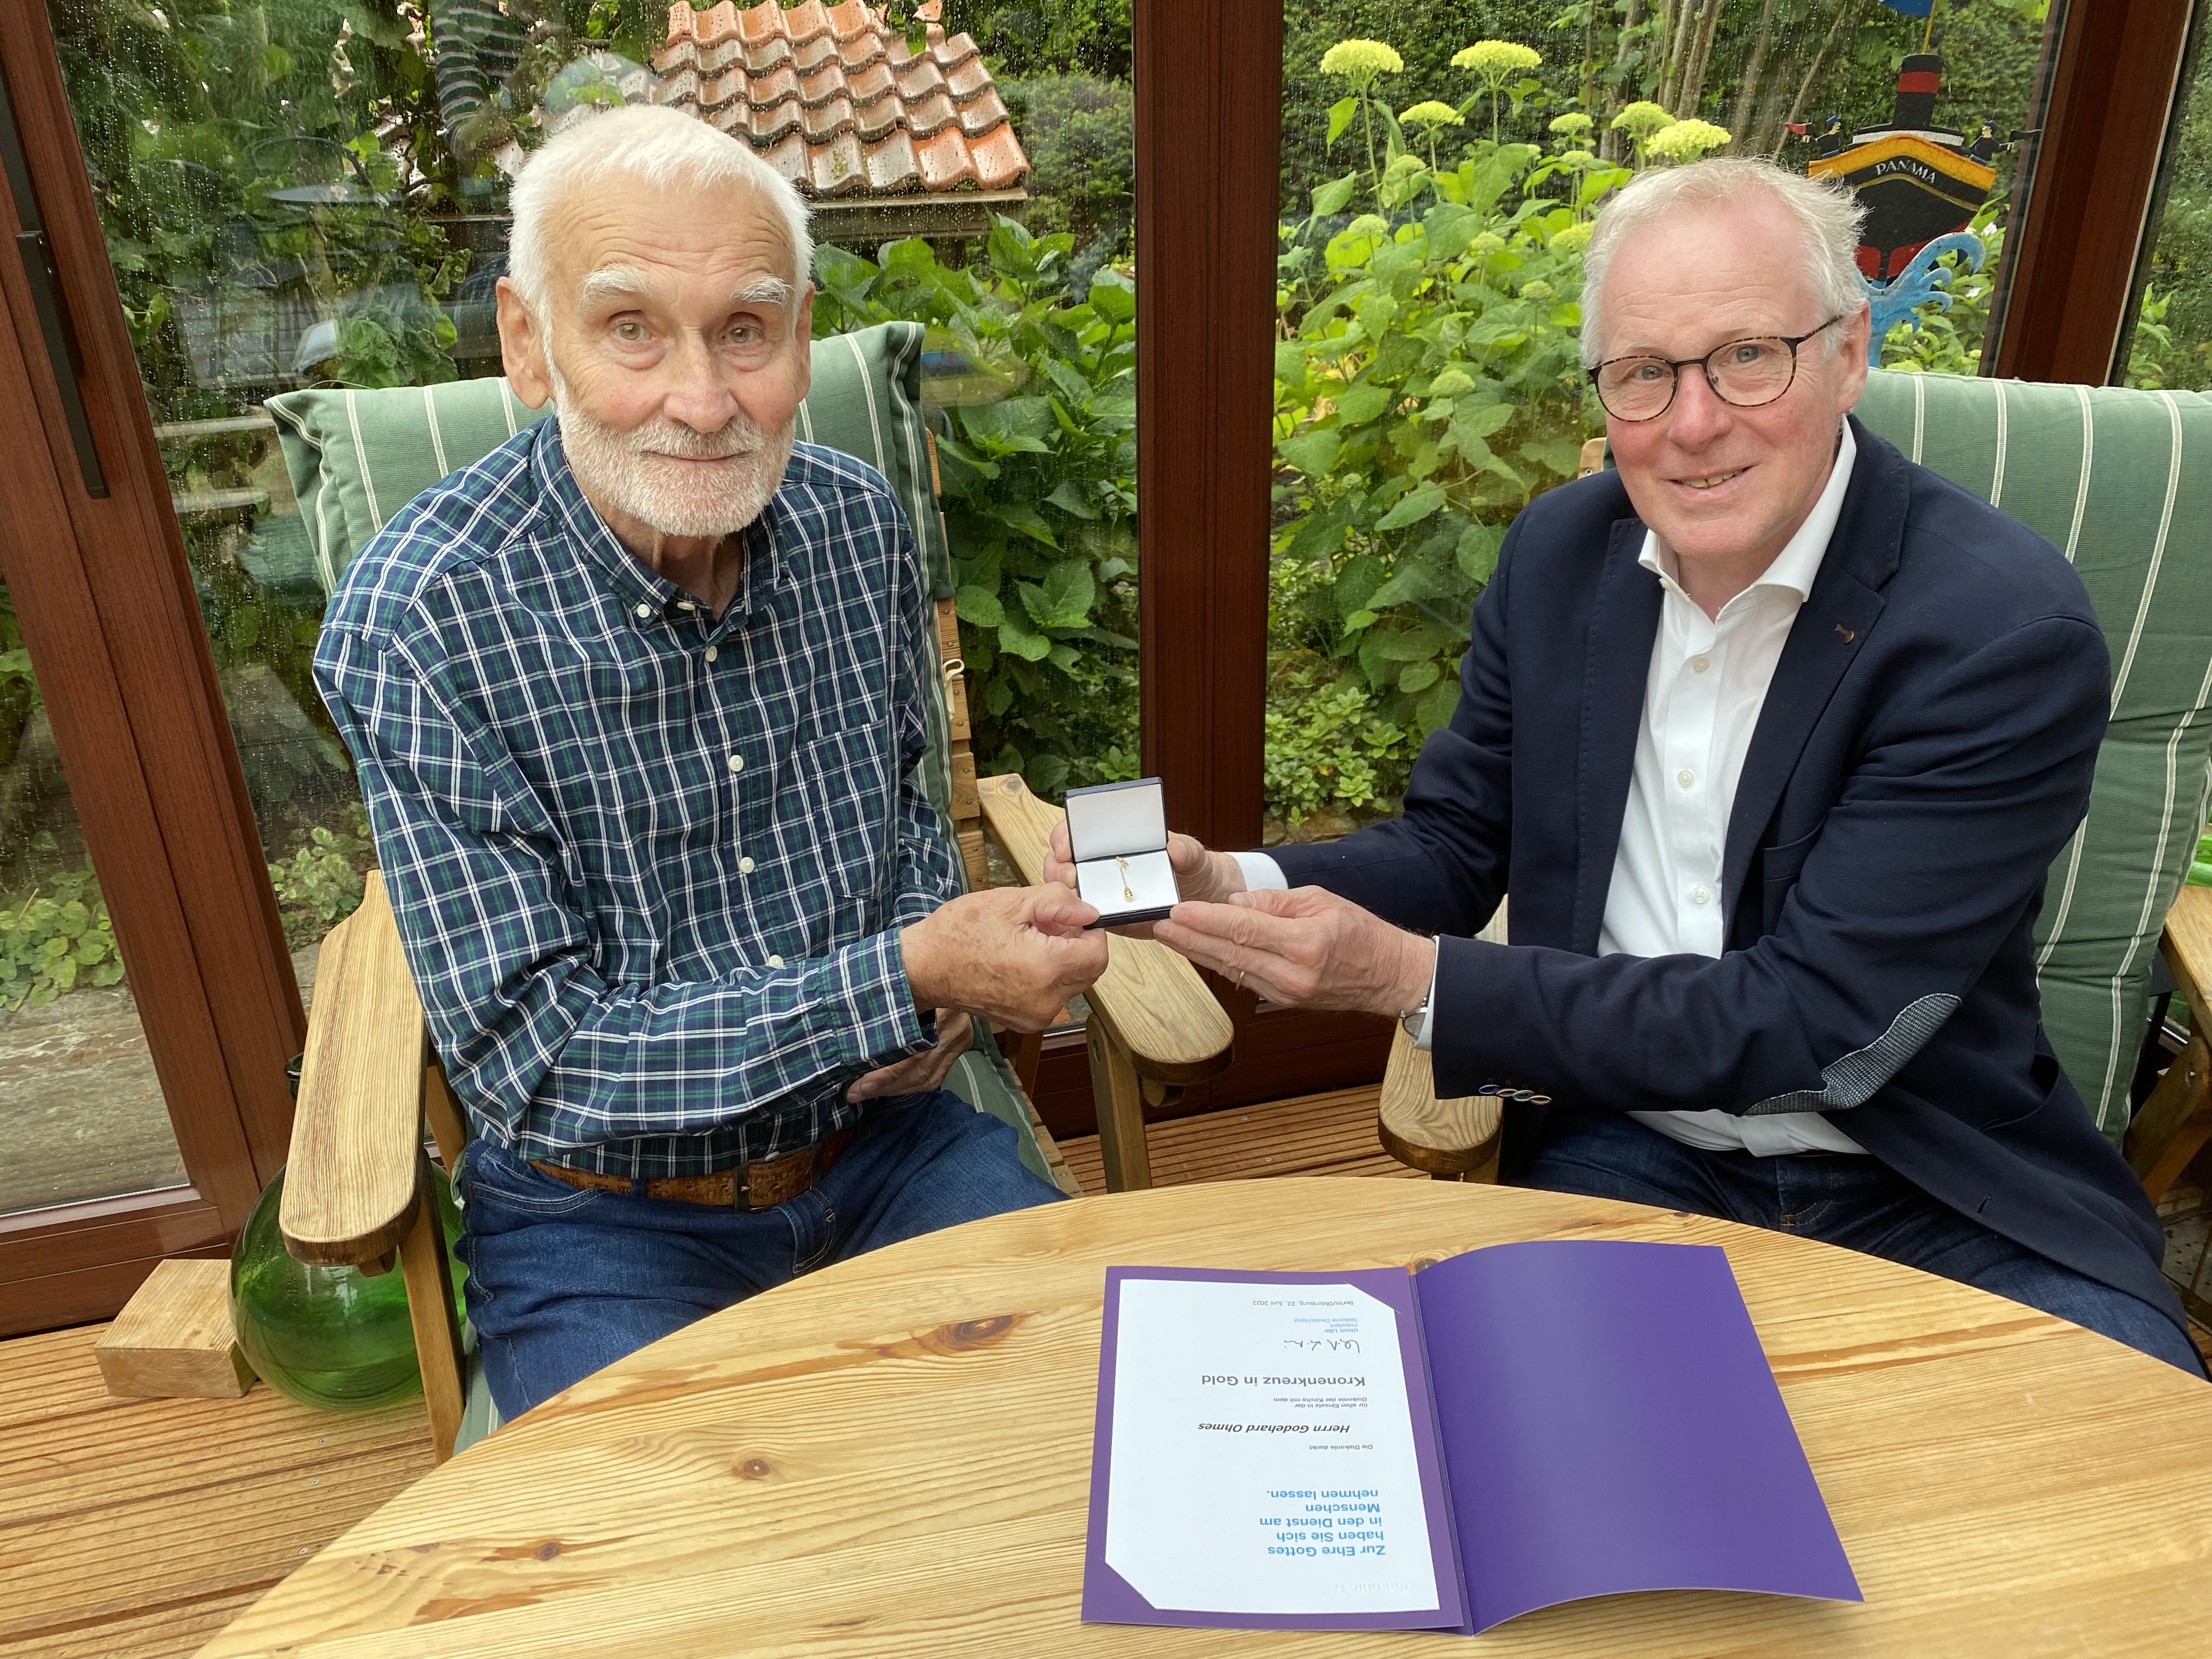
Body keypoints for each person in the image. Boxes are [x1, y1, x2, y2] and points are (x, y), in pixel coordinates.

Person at [1052, 159, 2201, 1374]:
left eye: (1748, 355)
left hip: (1942, 1185)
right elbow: (1453, 846)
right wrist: (1238, 881)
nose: (1694, 422)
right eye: (1644, 374)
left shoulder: (1998, 635)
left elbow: (1811, 1022)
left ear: (1849, 352)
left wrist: (1406, 979)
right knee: (1543, 1488)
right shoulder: (1562, 556)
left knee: (2146, 1496)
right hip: (1636, 1151)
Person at [315, 104, 1108, 1419]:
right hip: (604, 1221)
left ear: (798, 334)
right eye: (630, 328)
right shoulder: (424, 619)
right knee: (671, 1596)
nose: (701, 400)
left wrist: (959, 948)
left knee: (1082, 1444)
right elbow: (539, 1064)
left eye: (745, 330)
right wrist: (900, 975)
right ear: (531, 343)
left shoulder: (856, 528)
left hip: (888, 1146)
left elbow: (901, 807)